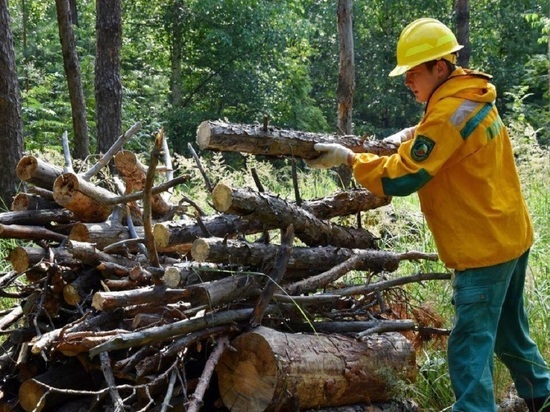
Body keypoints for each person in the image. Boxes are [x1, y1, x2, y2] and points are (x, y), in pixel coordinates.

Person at [307, 17, 550, 412]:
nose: (407, 81)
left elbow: (406, 177)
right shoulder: (472, 95)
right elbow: (440, 133)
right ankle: (540, 394)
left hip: (483, 249)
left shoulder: (447, 113)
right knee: (509, 332)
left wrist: (352, 159)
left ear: (441, 67)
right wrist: (409, 135)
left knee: (469, 344)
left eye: (414, 72)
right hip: (510, 235)